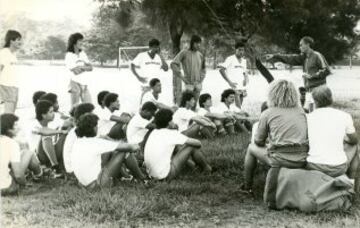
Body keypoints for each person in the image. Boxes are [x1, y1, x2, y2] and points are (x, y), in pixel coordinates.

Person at [242, 80, 308, 193]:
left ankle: (247, 187)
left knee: (251, 148)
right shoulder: (301, 112)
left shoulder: (267, 113)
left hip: (280, 159)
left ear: (272, 94)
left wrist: (268, 143)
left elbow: (258, 141)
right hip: (302, 157)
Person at [71, 113, 147, 188]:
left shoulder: (78, 141)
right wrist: (137, 146)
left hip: (83, 184)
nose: (97, 128)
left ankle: (125, 175)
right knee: (124, 152)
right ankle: (142, 179)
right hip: (97, 184)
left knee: (110, 151)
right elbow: (131, 148)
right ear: (93, 127)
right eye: (96, 125)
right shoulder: (95, 142)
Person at [305, 86, 359, 188]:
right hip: (337, 167)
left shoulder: (308, 118)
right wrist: (345, 139)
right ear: (331, 98)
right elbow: (354, 139)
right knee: (355, 145)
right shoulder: (344, 115)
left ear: (314, 101)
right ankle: (351, 184)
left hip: (313, 166)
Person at [266, 36, 330, 112]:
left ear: (308, 44)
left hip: (318, 91)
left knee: (316, 112)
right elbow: (290, 58)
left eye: (301, 45)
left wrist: (313, 76)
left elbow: (326, 70)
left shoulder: (317, 55)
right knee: (308, 112)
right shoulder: (303, 57)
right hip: (308, 91)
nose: (300, 47)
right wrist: (275, 56)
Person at [144, 109, 211, 180]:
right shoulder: (171, 133)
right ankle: (207, 168)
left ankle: (193, 167)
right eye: (172, 120)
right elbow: (198, 143)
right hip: (164, 175)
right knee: (191, 146)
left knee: (176, 147)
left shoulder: (154, 132)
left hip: (151, 174)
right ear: (169, 122)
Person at [1, 114, 43, 196]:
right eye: (16, 124)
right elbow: (18, 175)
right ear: (8, 128)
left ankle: (38, 175)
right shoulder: (12, 143)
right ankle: (39, 175)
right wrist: (25, 185)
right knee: (28, 153)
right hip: (6, 188)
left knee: (24, 152)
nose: (19, 127)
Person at [28, 100, 68, 178]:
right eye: (51, 112)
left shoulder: (50, 122)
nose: (54, 114)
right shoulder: (33, 124)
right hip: (40, 158)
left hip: (49, 154)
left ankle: (67, 163)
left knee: (65, 132)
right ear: (43, 115)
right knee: (46, 136)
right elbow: (43, 131)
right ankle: (56, 168)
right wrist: (61, 131)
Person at [171, 35, 206, 106]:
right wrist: (182, 77)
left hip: (198, 84)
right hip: (188, 84)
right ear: (192, 43)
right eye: (196, 43)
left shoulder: (200, 55)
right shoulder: (184, 52)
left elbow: (203, 69)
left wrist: (200, 80)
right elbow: (173, 64)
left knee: (194, 104)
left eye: (199, 43)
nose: (198, 45)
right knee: (186, 104)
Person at [63, 103, 95, 174]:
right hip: (75, 170)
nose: (94, 117)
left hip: (72, 168)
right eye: (92, 114)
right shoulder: (81, 131)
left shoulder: (78, 129)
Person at [219, 41, 250, 108]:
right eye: (239, 50)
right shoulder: (230, 59)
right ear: (235, 50)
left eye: (243, 50)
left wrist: (245, 79)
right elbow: (221, 70)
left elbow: (244, 72)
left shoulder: (244, 61)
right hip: (233, 86)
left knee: (239, 106)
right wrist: (229, 82)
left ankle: (236, 116)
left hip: (241, 86)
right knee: (237, 106)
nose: (241, 52)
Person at [65, 33, 93, 108]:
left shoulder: (83, 53)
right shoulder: (69, 55)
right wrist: (85, 66)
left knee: (89, 107)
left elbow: (91, 68)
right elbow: (76, 72)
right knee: (75, 109)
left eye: (82, 41)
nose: (82, 43)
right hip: (74, 84)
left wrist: (80, 67)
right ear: (74, 41)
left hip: (84, 84)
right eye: (80, 40)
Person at [0, 30, 22, 114]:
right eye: (18, 39)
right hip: (6, 85)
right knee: (8, 113)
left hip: (14, 86)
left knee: (12, 113)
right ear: (11, 41)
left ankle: (9, 126)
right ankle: (5, 127)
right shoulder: (4, 53)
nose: (20, 42)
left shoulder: (13, 54)